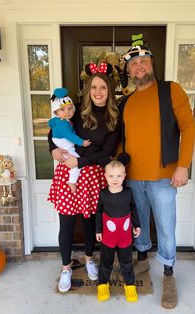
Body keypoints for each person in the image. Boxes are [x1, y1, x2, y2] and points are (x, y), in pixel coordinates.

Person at [121, 34, 195, 309]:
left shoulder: (170, 90)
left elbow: (188, 127)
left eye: (143, 62)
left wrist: (183, 165)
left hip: (164, 177)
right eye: (134, 64)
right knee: (139, 224)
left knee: (165, 228)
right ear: (128, 71)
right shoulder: (127, 102)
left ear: (152, 64)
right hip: (133, 177)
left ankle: (168, 275)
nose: (139, 67)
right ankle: (142, 261)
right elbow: (123, 139)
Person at [47, 63, 121, 293]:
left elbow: (106, 153)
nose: (98, 92)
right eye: (94, 87)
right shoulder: (75, 109)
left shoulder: (114, 118)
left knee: (89, 222)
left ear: (109, 91)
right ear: (88, 90)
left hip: (91, 173)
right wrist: (53, 149)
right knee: (67, 223)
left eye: (103, 88)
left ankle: (89, 260)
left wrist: (80, 162)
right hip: (67, 171)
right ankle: (66, 267)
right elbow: (54, 131)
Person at [96, 159, 140, 302]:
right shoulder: (103, 194)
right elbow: (98, 212)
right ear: (105, 176)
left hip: (125, 235)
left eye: (118, 176)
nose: (115, 179)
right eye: (111, 176)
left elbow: (133, 208)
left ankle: (130, 285)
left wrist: (136, 224)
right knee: (106, 261)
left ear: (124, 176)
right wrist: (98, 231)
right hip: (108, 236)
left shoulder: (128, 192)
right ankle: (102, 283)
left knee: (126, 262)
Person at [49, 87, 91, 193]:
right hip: (65, 147)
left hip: (65, 145)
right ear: (56, 111)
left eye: (70, 108)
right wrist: (82, 142)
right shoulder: (62, 123)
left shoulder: (62, 120)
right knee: (76, 162)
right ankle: (72, 181)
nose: (67, 112)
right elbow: (69, 135)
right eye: (62, 109)